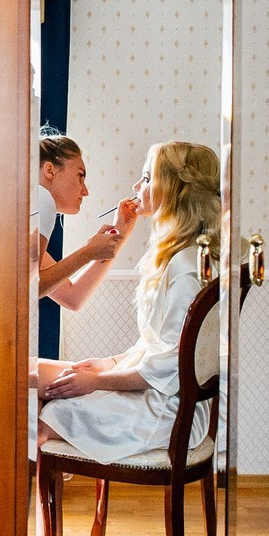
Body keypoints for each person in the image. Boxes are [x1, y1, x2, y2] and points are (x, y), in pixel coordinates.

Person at [40, 139, 221, 462]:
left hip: (163, 407)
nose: (136, 186)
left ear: (174, 189)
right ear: (49, 171)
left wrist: (98, 378)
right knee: (35, 379)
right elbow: (161, 348)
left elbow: (167, 362)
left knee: (38, 410)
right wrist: (109, 365)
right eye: (81, 176)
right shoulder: (183, 257)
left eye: (147, 178)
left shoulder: (184, 265)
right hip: (160, 394)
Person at [34, 132, 136, 309]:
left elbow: (72, 297)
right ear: (50, 170)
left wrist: (120, 232)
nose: (85, 191)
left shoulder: (28, 212)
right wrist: (88, 251)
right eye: (80, 176)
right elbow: (29, 287)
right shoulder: (42, 200)